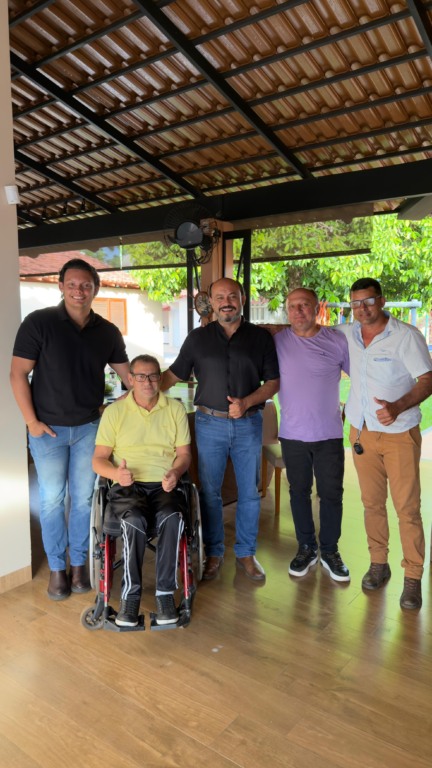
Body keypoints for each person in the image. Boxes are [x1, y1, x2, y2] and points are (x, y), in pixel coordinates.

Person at [10, 258, 130, 601]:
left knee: (83, 500)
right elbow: (17, 374)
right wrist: (31, 423)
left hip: (89, 429)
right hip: (47, 431)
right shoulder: (39, 323)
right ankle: (57, 568)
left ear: (96, 289)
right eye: (73, 284)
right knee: (51, 500)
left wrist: (120, 404)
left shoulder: (107, 331)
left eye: (86, 285)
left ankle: (78, 564)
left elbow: (130, 378)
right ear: (61, 286)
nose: (79, 291)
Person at [161, 277, 280, 582]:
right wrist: (140, 390)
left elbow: (273, 383)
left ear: (242, 299)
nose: (227, 302)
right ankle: (213, 553)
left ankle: (246, 553)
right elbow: (173, 374)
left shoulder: (260, 338)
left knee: (249, 492)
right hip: (208, 425)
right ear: (212, 303)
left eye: (232, 296)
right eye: (220, 297)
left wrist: (247, 402)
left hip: (248, 424)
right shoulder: (197, 339)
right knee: (210, 492)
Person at [339, 278, 432, 610]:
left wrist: (397, 406)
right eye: (356, 303)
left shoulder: (406, 336)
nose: (362, 309)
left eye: (368, 301)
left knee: (407, 508)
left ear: (382, 300)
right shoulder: (348, 334)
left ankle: (413, 576)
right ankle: (379, 563)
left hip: (398, 435)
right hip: (362, 432)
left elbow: (427, 379)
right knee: (371, 504)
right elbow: (307, 331)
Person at [92, 355, 191, 627]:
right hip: (127, 484)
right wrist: (116, 474)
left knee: (173, 516)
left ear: (160, 377)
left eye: (153, 376)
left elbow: (184, 455)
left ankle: (165, 595)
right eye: (141, 376)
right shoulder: (114, 412)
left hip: (164, 482)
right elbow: (98, 460)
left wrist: (175, 472)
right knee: (133, 519)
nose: (148, 382)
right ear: (130, 379)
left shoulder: (175, 410)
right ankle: (130, 597)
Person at [274, 288, 350, 582]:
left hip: (329, 434)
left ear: (318, 308)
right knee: (299, 492)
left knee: (331, 494)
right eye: (292, 306)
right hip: (292, 434)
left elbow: (361, 377)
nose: (298, 311)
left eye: (304, 305)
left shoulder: (337, 340)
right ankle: (306, 547)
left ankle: (330, 550)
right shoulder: (278, 341)